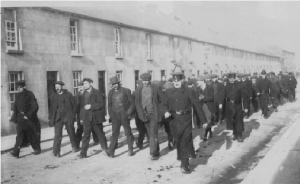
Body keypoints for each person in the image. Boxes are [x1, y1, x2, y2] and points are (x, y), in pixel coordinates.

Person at [162, 66, 208, 173]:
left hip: (186, 119)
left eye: (178, 80)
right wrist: (165, 111)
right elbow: (163, 104)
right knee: (179, 141)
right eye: (174, 80)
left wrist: (204, 121)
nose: (176, 82)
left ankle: (184, 164)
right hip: (173, 120)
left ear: (182, 80)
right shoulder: (168, 92)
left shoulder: (189, 91)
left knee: (185, 140)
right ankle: (184, 159)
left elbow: (197, 106)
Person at [134, 73, 164, 160]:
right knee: (150, 134)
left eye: (147, 81)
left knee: (153, 133)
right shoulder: (139, 89)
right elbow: (137, 103)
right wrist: (140, 114)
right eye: (144, 81)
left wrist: (160, 112)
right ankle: (156, 151)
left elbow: (162, 100)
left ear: (150, 80)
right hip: (144, 115)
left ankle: (153, 153)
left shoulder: (155, 88)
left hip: (154, 113)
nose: (145, 82)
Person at [103, 76, 135, 158]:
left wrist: (128, 113)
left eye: (116, 83)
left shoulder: (126, 91)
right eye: (113, 84)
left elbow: (132, 104)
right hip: (115, 116)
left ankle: (130, 150)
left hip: (124, 114)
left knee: (128, 133)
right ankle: (111, 152)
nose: (115, 85)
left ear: (119, 83)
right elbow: (109, 105)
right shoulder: (110, 92)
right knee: (114, 134)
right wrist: (111, 115)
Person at [9, 80, 41, 158]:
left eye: (20, 87)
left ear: (24, 87)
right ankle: (16, 152)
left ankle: (37, 149)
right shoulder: (17, 95)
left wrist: (28, 115)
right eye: (17, 87)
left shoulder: (29, 94)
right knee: (19, 134)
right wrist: (15, 118)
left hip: (28, 117)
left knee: (31, 134)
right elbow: (15, 107)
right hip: (20, 118)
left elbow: (35, 106)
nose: (18, 89)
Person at [78, 78, 108, 158]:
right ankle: (83, 153)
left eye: (86, 83)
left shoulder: (97, 92)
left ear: (91, 84)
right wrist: (81, 118)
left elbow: (101, 104)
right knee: (86, 136)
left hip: (96, 117)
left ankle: (106, 149)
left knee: (100, 134)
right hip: (87, 118)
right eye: (84, 83)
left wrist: (91, 106)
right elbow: (82, 107)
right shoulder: (83, 94)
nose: (84, 85)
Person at [49, 81, 78, 157]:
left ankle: (74, 147)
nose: (57, 88)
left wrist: (72, 115)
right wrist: (52, 118)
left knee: (71, 132)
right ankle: (56, 151)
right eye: (56, 87)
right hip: (58, 118)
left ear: (62, 87)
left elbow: (74, 105)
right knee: (57, 134)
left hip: (68, 117)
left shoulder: (68, 95)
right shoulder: (53, 96)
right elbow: (51, 108)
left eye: (58, 86)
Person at [224, 73, 249, 142]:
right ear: (228, 78)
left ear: (235, 78)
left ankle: (239, 136)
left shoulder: (239, 85)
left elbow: (245, 97)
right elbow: (223, 96)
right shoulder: (226, 86)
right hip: (229, 105)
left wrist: (246, 107)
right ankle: (234, 134)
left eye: (233, 78)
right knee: (232, 120)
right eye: (230, 78)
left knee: (238, 120)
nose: (231, 79)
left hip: (237, 105)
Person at [196, 75, 214, 141]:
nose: (198, 82)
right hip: (201, 107)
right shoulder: (197, 89)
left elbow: (212, 98)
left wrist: (204, 97)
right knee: (205, 121)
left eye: (199, 81)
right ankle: (210, 131)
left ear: (203, 81)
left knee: (208, 120)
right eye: (197, 81)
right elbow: (196, 98)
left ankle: (205, 134)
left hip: (208, 107)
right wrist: (199, 99)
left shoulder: (210, 88)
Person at [132, 80, 148, 149]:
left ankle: (140, 144)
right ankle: (149, 140)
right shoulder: (146, 91)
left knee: (141, 129)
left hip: (138, 113)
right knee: (146, 127)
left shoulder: (135, 92)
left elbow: (132, 103)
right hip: (145, 112)